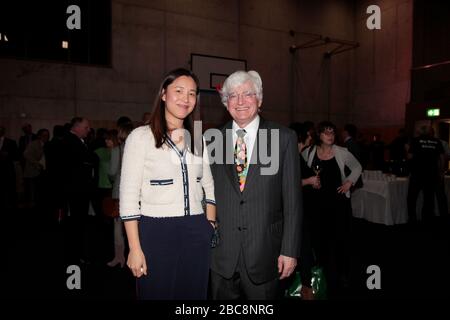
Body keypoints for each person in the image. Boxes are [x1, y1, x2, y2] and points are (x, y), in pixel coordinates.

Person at [120, 68, 216, 300]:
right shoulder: (141, 137)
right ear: (163, 94)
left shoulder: (198, 137)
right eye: (179, 91)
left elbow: (209, 184)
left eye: (192, 93)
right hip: (156, 230)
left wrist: (210, 222)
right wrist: (134, 248)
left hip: (196, 229)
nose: (186, 98)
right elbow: (129, 195)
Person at [210, 70, 302, 300]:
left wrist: (290, 250)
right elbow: (206, 195)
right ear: (226, 103)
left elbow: (293, 201)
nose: (240, 101)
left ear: (259, 99)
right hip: (221, 256)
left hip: (265, 254)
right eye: (233, 95)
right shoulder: (211, 140)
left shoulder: (284, 138)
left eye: (247, 94)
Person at [302, 121, 362, 299]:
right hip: (316, 205)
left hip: (339, 204)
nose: (330, 135)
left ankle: (343, 274)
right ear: (319, 135)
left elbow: (357, 167)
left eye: (333, 133)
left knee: (341, 240)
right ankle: (322, 272)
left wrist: (349, 183)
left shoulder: (342, 152)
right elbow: (303, 173)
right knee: (319, 241)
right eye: (326, 132)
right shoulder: (309, 153)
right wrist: (310, 181)